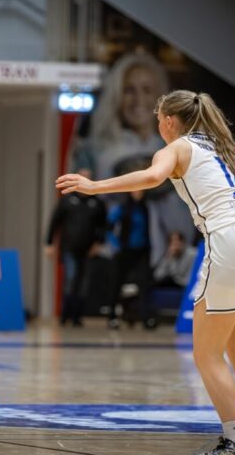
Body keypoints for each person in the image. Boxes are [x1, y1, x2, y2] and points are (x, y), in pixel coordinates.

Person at [57, 90, 235, 455]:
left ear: (170, 121)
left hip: (231, 241)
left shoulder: (176, 148)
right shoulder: (227, 149)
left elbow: (152, 177)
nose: (159, 126)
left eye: (159, 120)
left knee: (207, 354)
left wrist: (96, 186)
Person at [72, 51, 196, 264]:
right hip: (116, 255)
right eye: (129, 90)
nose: (139, 99)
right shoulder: (95, 151)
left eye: (147, 90)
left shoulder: (179, 149)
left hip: (164, 258)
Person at [45, 168, 107, 327]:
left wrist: (98, 243)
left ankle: (77, 316)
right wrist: (50, 243)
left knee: (84, 283)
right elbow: (55, 222)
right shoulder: (67, 200)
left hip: (88, 250)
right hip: (69, 247)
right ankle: (65, 315)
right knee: (71, 279)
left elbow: (103, 226)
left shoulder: (97, 203)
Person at [106, 189, 155, 330]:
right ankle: (112, 316)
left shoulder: (145, 208)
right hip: (124, 251)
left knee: (144, 283)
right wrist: (116, 245)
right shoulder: (121, 208)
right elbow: (108, 227)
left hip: (142, 251)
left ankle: (146, 318)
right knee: (116, 283)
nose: (139, 192)